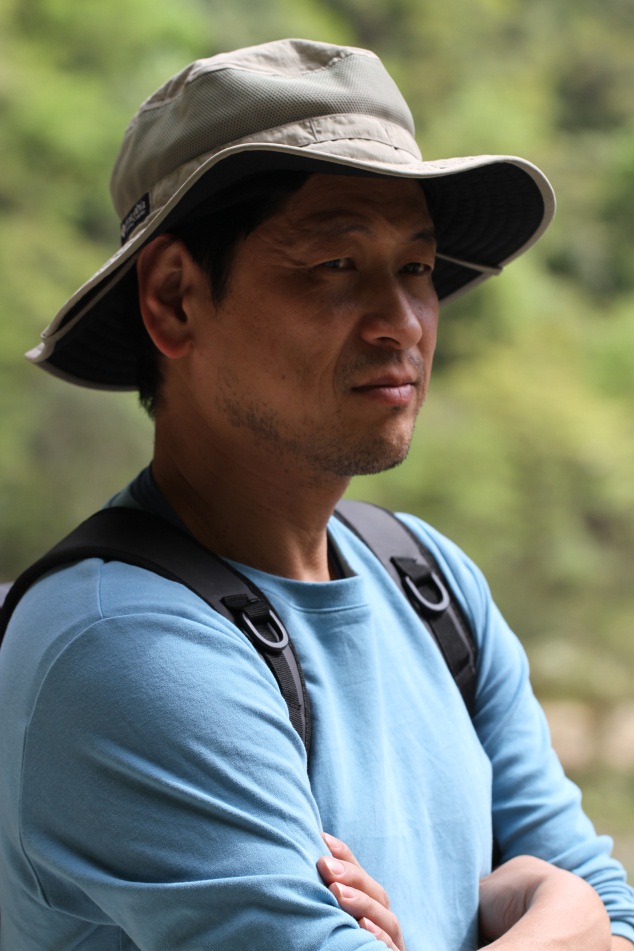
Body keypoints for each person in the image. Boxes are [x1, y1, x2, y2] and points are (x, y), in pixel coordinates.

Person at [0, 37, 632, 951]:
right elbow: (593, 917)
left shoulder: (430, 585)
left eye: (416, 268)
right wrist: (562, 918)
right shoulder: (124, 647)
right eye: (335, 265)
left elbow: (620, 916)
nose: (402, 323)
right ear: (174, 298)